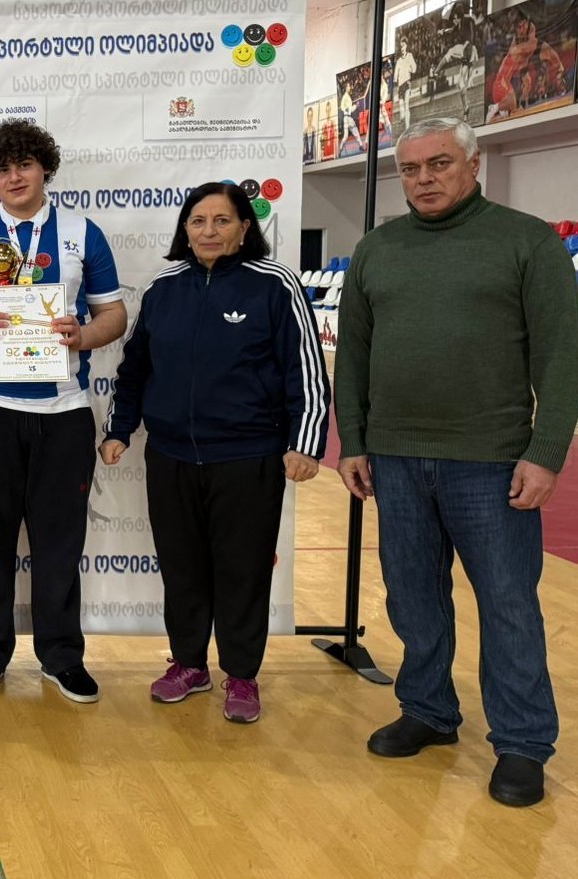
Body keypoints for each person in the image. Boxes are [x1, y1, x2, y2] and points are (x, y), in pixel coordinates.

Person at [335, 118, 578, 806]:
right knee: (412, 596)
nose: (423, 179)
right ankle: (428, 710)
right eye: (410, 169)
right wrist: (353, 439)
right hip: (394, 457)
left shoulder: (526, 242)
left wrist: (545, 452)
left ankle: (522, 742)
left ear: (473, 165)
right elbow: (353, 356)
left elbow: (561, 356)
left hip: (491, 461)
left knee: (507, 604)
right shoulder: (377, 249)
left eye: (438, 164)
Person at [100, 182, 329, 723]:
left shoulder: (275, 284)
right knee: (182, 568)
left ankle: (242, 675)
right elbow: (135, 369)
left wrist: (305, 443)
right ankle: (188, 664)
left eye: (222, 221)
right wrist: (119, 429)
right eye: (198, 221)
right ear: (185, 229)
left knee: (242, 571)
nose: (208, 231)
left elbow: (305, 367)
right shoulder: (163, 288)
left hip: (248, 457)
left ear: (245, 228)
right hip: (171, 456)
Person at [0, 120, 126, 703]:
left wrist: (83, 336)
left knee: (60, 541)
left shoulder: (82, 233)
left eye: (23, 164)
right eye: (1, 169)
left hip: (65, 409)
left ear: (45, 167)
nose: (14, 177)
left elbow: (114, 316)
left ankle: (61, 657)